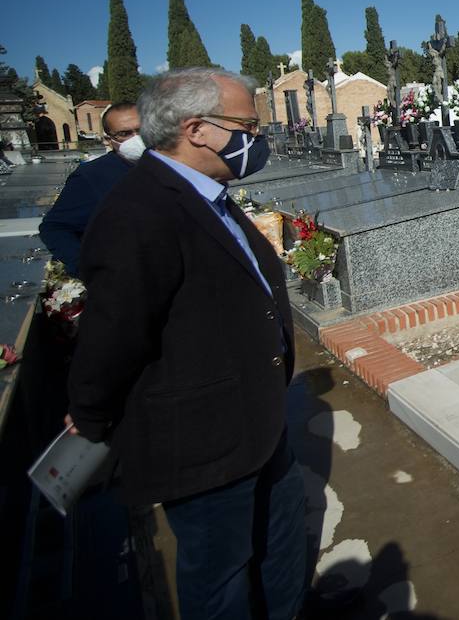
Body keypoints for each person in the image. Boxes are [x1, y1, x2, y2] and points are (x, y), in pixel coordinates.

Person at [67, 69, 305, 620]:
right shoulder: (138, 212)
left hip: (258, 422)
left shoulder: (202, 195)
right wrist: (91, 413)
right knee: (221, 577)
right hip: (204, 441)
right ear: (197, 129)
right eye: (247, 124)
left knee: (280, 548)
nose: (258, 136)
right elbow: (113, 334)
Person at [38, 102, 143, 275]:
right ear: (109, 139)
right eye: (125, 133)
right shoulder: (92, 176)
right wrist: (89, 270)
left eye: (141, 130)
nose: (137, 138)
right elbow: (55, 228)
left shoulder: (172, 165)